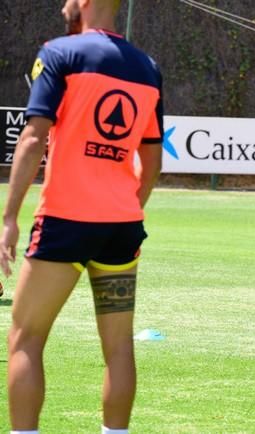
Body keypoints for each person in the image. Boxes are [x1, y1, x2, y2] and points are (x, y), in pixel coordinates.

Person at [0, 0, 163, 432]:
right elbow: (151, 160)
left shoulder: (59, 53)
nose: (63, 5)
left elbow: (34, 138)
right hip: (122, 227)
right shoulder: (147, 67)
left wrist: (9, 217)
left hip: (65, 221)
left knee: (26, 339)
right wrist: (127, 207)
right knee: (118, 348)